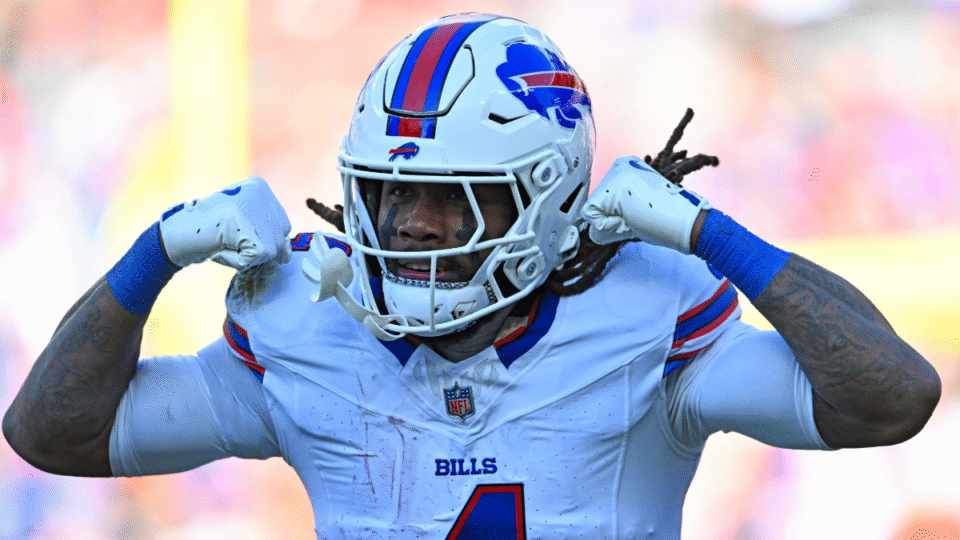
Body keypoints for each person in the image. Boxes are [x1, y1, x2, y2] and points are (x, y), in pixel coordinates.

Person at [3, 13, 941, 540]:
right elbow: (51, 434)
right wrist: (155, 253)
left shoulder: (646, 319)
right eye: (388, 195)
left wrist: (710, 233)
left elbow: (889, 399)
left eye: (451, 200)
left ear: (548, 197)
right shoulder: (305, 326)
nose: (412, 223)